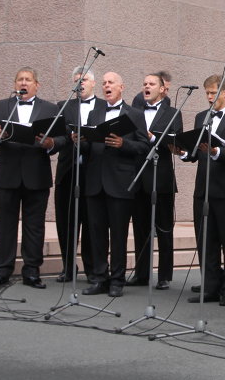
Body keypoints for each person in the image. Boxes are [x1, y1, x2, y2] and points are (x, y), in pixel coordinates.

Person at [0, 68, 63, 289]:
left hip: (36, 174)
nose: (23, 83)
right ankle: (3, 269)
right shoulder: (1, 106)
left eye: (28, 80)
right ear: (15, 83)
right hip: (7, 175)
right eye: (20, 79)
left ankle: (32, 270)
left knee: (34, 225)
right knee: (5, 225)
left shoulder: (50, 108)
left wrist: (50, 144)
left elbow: (62, 137)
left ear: (37, 84)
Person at [181, 75, 225, 305]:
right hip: (204, 189)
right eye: (207, 93)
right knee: (206, 241)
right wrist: (182, 152)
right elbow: (196, 150)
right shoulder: (202, 117)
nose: (210, 97)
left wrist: (218, 153)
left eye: (214, 93)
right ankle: (210, 286)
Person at [78, 72, 149, 297]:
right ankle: (100, 278)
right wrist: (81, 142)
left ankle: (117, 280)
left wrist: (122, 143)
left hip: (120, 182)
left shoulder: (135, 114)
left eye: (111, 83)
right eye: (104, 83)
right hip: (95, 181)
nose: (106, 86)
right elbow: (89, 147)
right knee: (97, 234)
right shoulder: (95, 112)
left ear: (121, 87)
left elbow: (144, 147)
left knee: (118, 235)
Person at [128, 71, 181, 289]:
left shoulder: (173, 113)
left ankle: (164, 276)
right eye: (144, 84)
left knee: (164, 228)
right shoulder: (134, 111)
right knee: (141, 229)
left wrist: (153, 137)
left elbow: (175, 140)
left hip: (161, 178)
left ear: (162, 89)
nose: (146, 87)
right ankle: (141, 274)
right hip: (139, 176)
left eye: (151, 84)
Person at [53, 67, 97, 282]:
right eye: (77, 80)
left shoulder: (103, 107)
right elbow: (56, 138)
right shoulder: (63, 107)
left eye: (85, 79)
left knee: (90, 223)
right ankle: (68, 267)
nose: (80, 83)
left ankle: (91, 269)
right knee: (66, 221)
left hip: (93, 173)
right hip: (68, 171)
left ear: (93, 83)